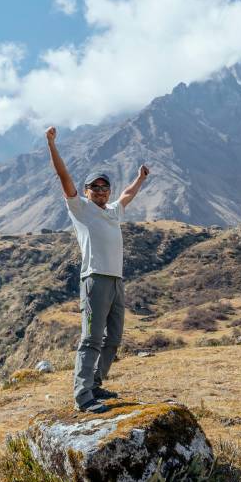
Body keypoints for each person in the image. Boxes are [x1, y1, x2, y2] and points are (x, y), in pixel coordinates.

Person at [45, 126, 150, 413]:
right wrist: (51, 144)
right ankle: (83, 396)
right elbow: (63, 177)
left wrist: (139, 179)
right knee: (91, 338)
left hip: (116, 281)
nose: (101, 192)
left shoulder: (113, 210)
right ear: (88, 191)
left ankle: (95, 383)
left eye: (105, 188)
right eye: (96, 188)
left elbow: (128, 194)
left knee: (113, 338)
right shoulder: (80, 208)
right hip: (95, 280)